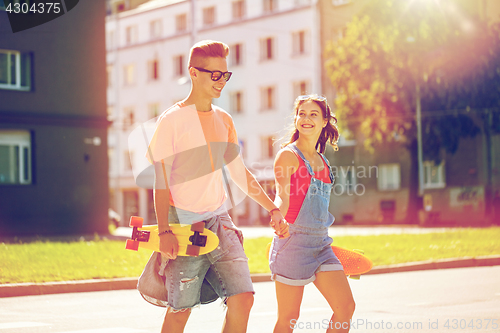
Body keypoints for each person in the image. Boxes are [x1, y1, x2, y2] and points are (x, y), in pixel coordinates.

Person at [142, 40, 287, 333]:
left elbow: (239, 173)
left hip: (220, 221)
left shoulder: (224, 120)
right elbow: (160, 182)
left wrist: (272, 208)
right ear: (194, 73)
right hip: (183, 224)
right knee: (181, 310)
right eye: (214, 74)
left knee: (243, 298)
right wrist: (165, 231)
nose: (221, 81)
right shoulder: (172, 121)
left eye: (225, 74)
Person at [269, 95, 355, 333]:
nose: (306, 119)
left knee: (345, 307)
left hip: (321, 245)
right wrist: (279, 215)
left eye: (313, 114)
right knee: (288, 319)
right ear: (296, 119)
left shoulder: (323, 162)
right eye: (302, 113)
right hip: (292, 244)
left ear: (325, 121)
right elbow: (283, 195)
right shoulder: (288, 156)